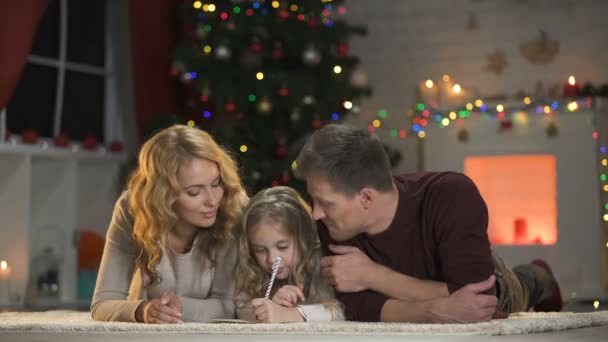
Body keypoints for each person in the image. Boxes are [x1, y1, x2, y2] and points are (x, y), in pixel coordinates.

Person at [294, 123, 562, 323]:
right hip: (439, 289)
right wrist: (432, 311)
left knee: (525, 286)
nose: (316, 213)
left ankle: (541, 275)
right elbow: (356, 308)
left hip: (495, 283)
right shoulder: (333, 222)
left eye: (326, 203)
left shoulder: (451, 193)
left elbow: (479, 302)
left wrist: (370, 275)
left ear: (366, 197)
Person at [91, 125, 248, 323]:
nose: (212, 200)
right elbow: (103, 303)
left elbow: (228, 305)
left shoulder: (233, 206)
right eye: (194, 192)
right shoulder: (134, 208)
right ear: (162, 195)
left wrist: (177, 307)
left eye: (216, 183)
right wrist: (143, 310)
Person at [236, 186, 344, 323]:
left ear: (303, 238)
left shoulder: (322, 264)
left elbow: (337, 312)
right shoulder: (252, 269)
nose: (271, 259)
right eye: (260, 250)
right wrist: (267, 308)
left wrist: (291, 314)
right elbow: (241, 309)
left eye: (282, 247)